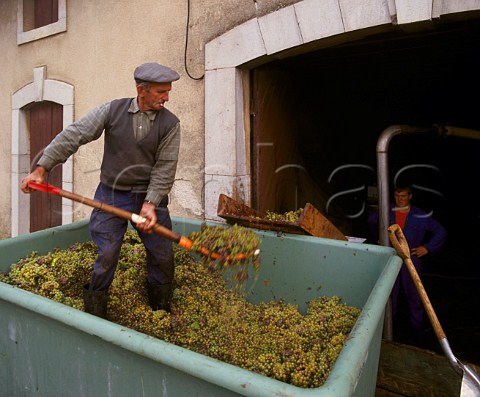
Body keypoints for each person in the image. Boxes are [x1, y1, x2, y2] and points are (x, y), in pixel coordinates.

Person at [21, 62, 181, 318]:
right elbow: (74, 135)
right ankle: (95, 312)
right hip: (112, 194)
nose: (167, 97)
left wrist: (151, 203)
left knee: (162, 255)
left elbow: (165, 167)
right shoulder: (111, 111)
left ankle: (160, 311)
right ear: (142, 90)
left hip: (150, 196)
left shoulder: (170, 124)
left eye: (168, 91)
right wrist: (42, 168)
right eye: (161, 91)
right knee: (107, 253)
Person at [368, 185, 447, 340]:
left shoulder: (419, 215)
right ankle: (386, 336)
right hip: (391, 256)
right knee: (389, 296)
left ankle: (417, 336)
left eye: (403, 196)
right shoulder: (386, 211)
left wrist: (427, 248)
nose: (400, 199)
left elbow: (440, 231)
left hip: (411, 259)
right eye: (397, 196)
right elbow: (371, 221)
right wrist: (378, 239)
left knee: (415, 297)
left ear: (410, 196)